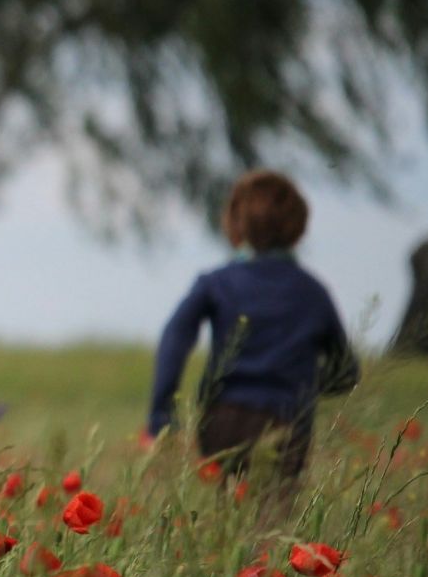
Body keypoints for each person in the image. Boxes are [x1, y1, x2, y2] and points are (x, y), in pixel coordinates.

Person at [143, 169, 359, 487]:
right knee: (273, 524)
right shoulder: (313, 293)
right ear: (297, 227)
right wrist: (301, 388)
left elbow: (174, 338)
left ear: (235, 223)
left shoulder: (216, 283)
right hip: (287, 421)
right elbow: (346, 372)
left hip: (223, 418)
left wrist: (161, 416)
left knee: (227, 517)